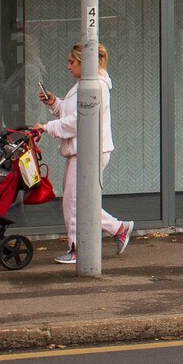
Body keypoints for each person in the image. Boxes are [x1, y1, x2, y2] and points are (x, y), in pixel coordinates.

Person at [38, 42, 133, 265]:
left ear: (84, 63)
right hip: (83, 151)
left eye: (72, 62)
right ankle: (118, 228)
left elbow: (79, 120)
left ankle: (78, 248)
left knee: (74, 202)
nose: (68, 66)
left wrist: (46, 127)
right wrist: (54, 103)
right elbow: (72, 112)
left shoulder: (95, 86)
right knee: (79, 200)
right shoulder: (84, 84)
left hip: (89, 151)